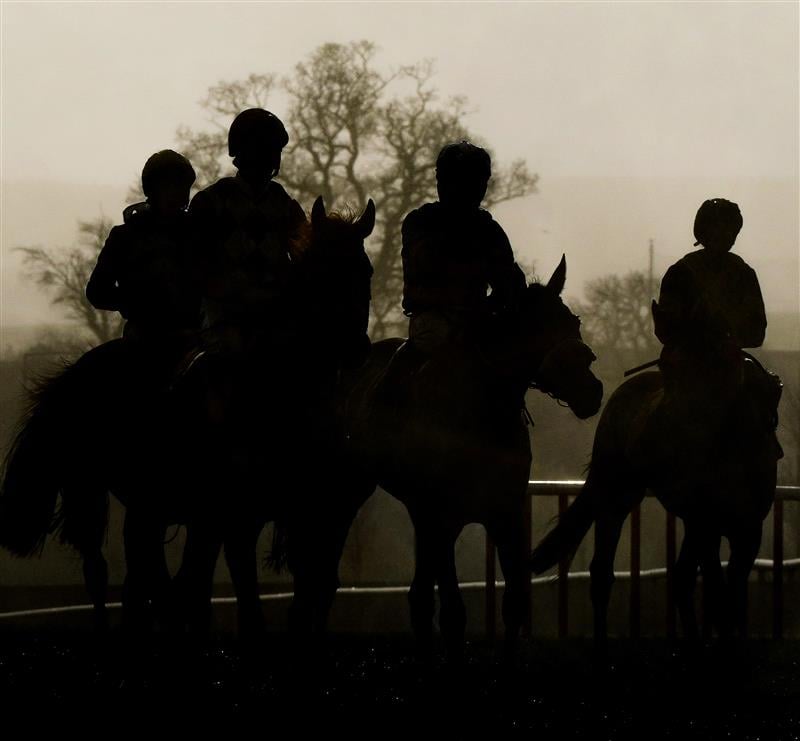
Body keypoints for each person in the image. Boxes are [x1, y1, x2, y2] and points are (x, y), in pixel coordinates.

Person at [641, 198, 781, 477]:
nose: (726, 236)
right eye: (720, 229)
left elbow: (758, 330)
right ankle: (648, 452)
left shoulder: (743, 274)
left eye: (731, 230)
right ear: (704, 231)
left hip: (728, 360)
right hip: (687, 361)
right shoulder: (680, 273)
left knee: (764, 385)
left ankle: (764, 449)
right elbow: (666, 329)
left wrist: (732, 338)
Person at [188, 108, 307, 357]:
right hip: (224, 318)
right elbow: (195, 266)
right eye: (264, 148)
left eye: (274, 150)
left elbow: (304, 262)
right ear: (243, 152)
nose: (271, 157)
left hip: (275, 317)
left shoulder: (285, 204)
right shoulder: (210, 203)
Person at [86, 149, 201, 379]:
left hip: (195, 338)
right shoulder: (125, 237)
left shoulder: (198, 234)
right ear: (152, 191)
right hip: (145, 340)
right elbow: (96, 291)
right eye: (168, 186)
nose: (176, 194)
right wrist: (135, 301)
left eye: (181, 187)